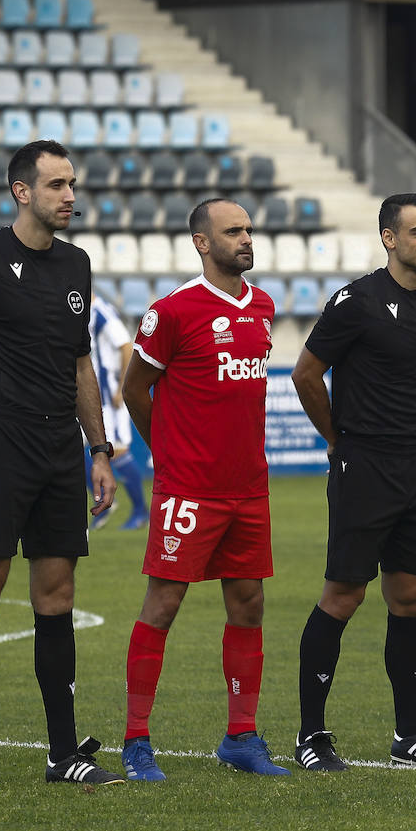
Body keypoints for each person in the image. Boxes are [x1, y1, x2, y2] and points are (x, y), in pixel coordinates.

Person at [0, 139, 124, 790]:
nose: (70, 196)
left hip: (60, 446)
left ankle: (63, 753)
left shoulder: (76, 264)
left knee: (57, 594)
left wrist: (98, 448)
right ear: (22, 191)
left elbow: (80, 363)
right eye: (58, 185)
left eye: (73, 185)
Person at [117, 197, 289, 781]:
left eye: (248, 229)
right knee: (163, 606)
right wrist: (166, 452)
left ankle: (241, 735)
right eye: (232, 231)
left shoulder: (263, 305)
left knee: (249, 605)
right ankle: (136, 740)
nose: (246, 238)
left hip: (249, 488)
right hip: (188, 489)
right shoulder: (172, 312)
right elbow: (135, 389)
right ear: (201, 242)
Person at [292, 193, 416, 771]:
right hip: (363, 464)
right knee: (344, 595)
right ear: (389, 238)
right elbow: (306, 374)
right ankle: (311, 735)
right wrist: (338, 439)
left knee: (410, 597)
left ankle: (409, 735)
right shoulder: (356, 301)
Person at [85, 291, 148, 531]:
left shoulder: (101, 311)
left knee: (117, 450)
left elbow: (125, 345)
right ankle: (104, 502)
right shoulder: (83, 310)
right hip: (88, 396)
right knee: (81, 451)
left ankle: (141, 511)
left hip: (107, 396)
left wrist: (122, 385)